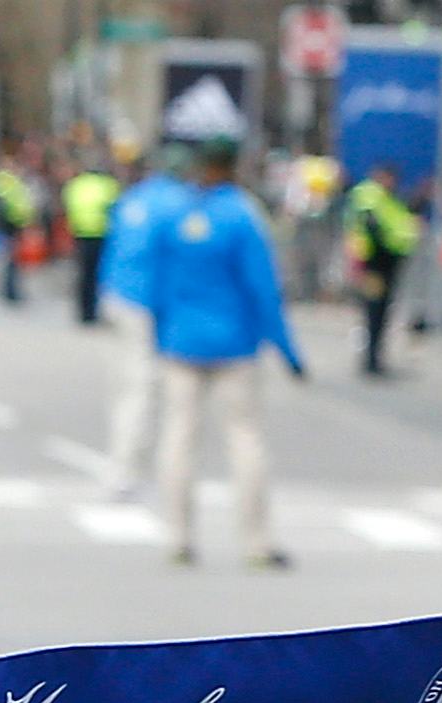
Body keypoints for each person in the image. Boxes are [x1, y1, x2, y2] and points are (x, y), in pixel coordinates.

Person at [143, 135, 304, 569]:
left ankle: (177, 536)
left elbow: (155, 281)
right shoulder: (243, 215)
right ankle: (255, 542)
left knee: (178, 437)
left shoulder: (175, 214)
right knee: (244, 438)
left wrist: (160, 331)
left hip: (180, 341)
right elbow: (263, 289)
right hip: (234, 345)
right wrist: (287, 349)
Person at [100, 148, 189, 497]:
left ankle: (122, 463)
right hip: (144, 304)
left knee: (121, 386)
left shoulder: (134, 198)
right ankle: (126, 471)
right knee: (142, 389)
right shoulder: (177, 204)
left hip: (116, 297)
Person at [347, 161, 422, 377]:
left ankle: (375, 357)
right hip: (374, 263)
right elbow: (373, 227)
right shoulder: (370, 195)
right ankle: (371, 359)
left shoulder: (389, 199)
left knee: (381, 311)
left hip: (387, 263)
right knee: (374, 310)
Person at [62, 156, 119, 324]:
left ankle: (82, 312)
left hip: (79, 234)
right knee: (97, 275)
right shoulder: (108, 185)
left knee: (83, 274)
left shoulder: (76, 185)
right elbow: (116, 208)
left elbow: (68, 207)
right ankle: (93, 312)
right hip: (101, 235)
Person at [0, 150, 40, 304]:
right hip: (10, 224)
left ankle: (12, 290)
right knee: (12, 259)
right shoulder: (4, 179)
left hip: (16, 223)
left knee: (15, 260)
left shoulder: (12, 180)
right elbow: (7, 203)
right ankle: (11, 291)